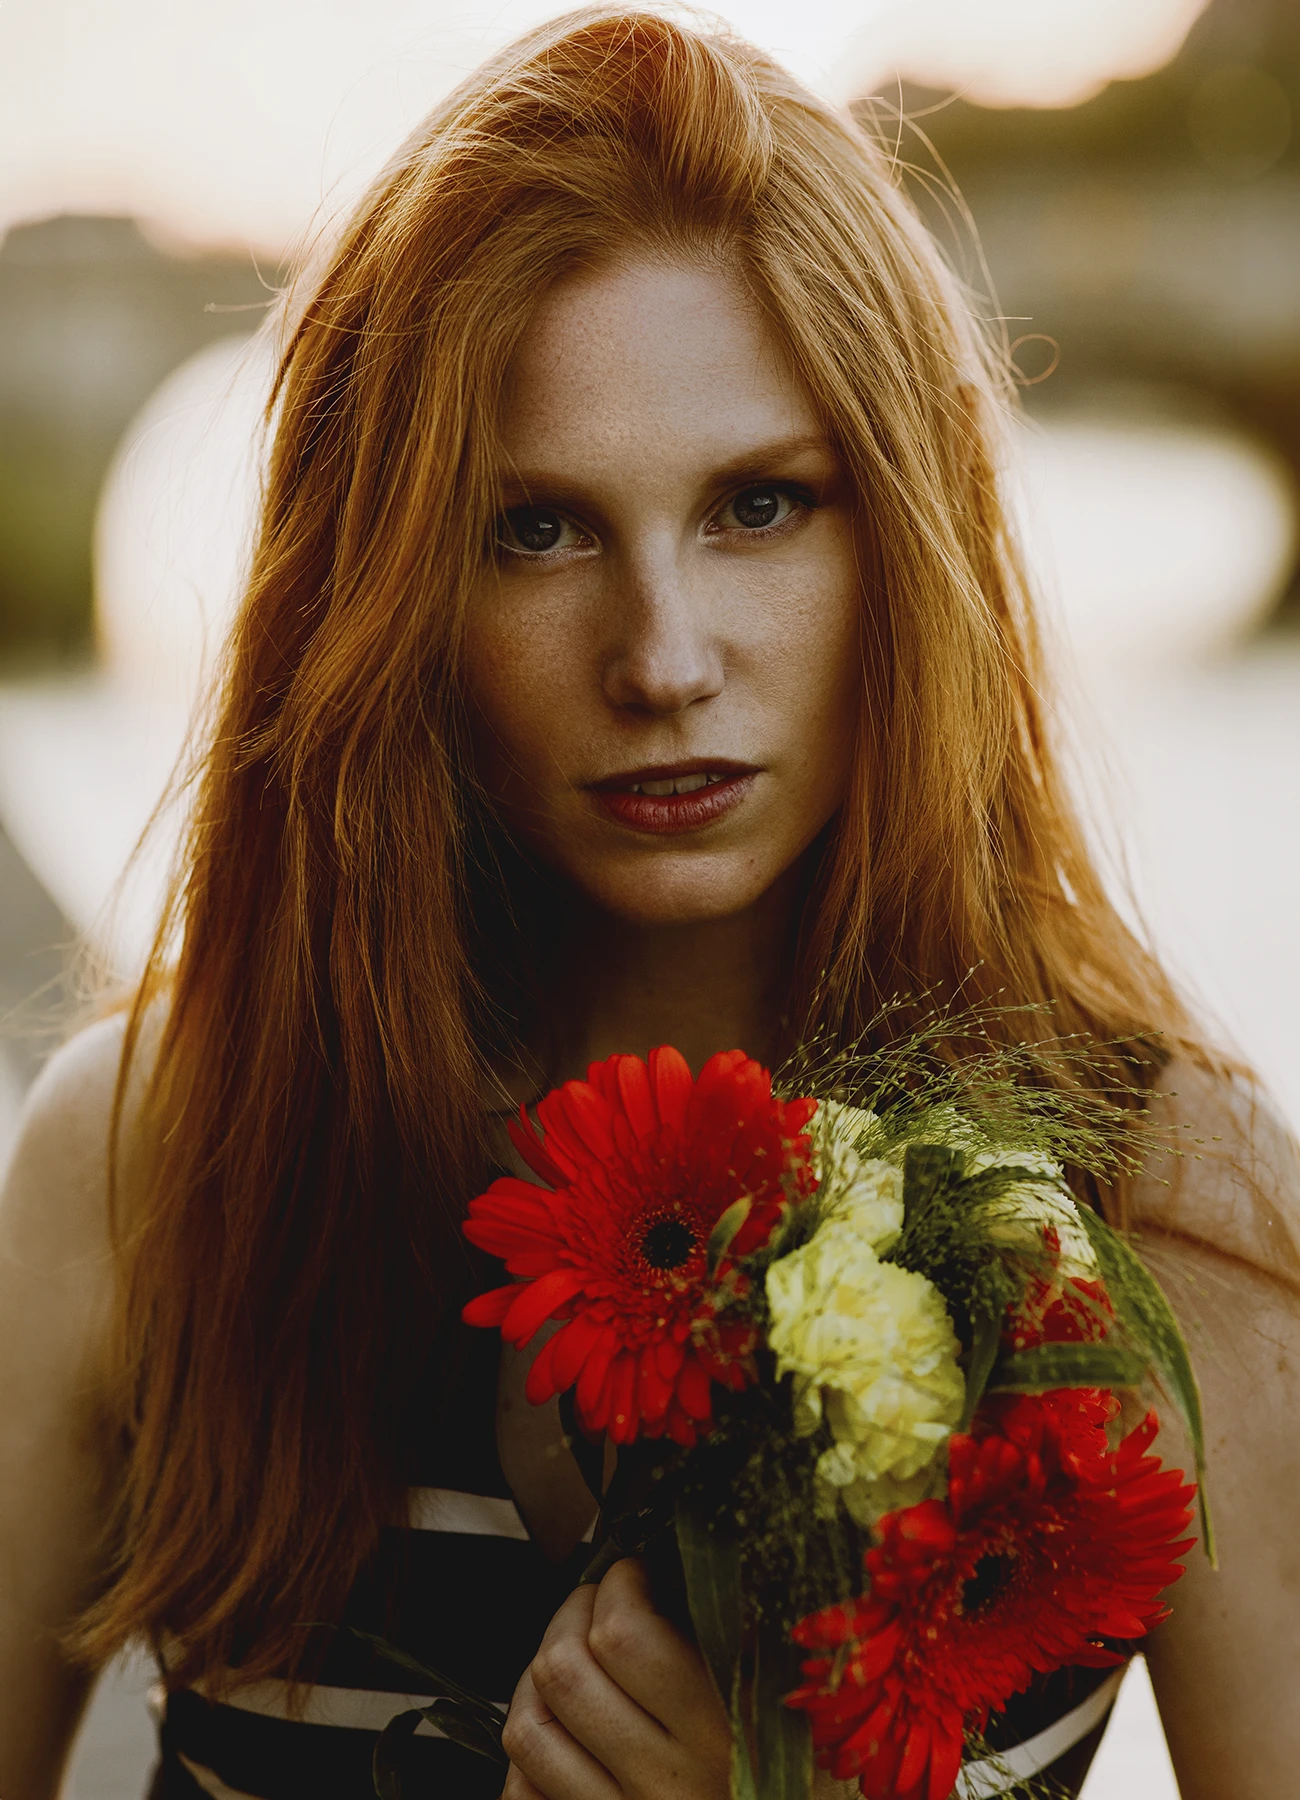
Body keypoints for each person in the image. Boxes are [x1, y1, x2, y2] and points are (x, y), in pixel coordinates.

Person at [2, 10, 1298, 1799]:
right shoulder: (155, 1169)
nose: (665, 659)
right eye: (536, 531)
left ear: (907, 538)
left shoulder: (1159, 1208)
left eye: (759, 506)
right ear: (388, 590)